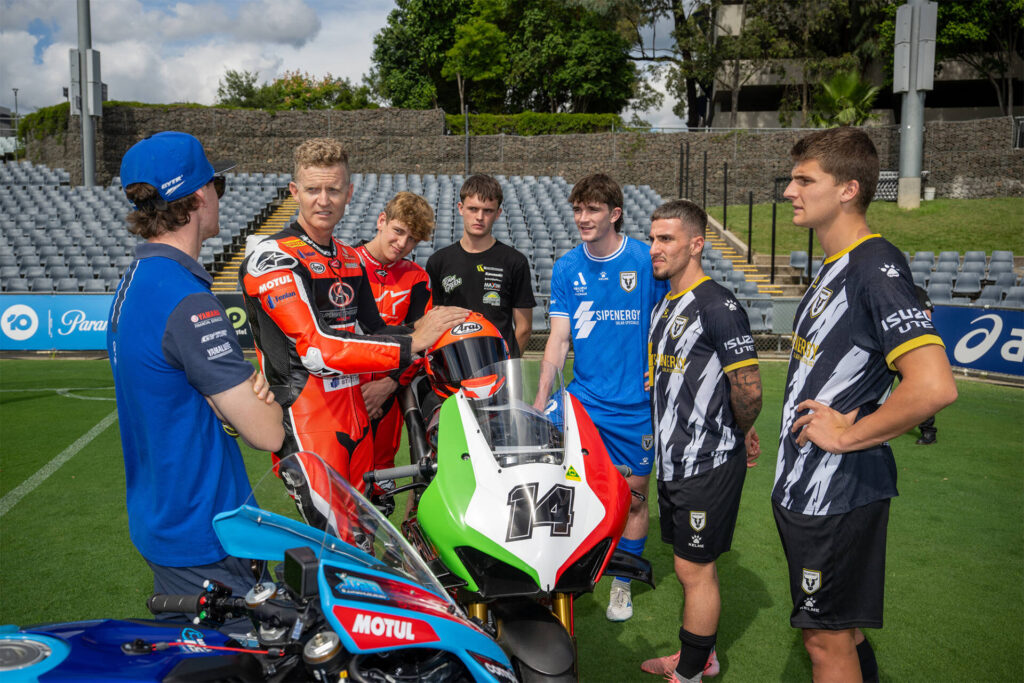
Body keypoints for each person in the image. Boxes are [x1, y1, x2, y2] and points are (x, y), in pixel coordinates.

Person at [774, 127, 957, 682]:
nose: (789, 191)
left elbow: (933, 386)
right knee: (840, 631)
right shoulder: (837, 264)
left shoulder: (875, 265)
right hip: (809, 485)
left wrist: (847, 435)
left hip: (838, 490)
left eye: (805, 180)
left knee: (825, 642)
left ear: (848, 189)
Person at [108, 131, 286, 617]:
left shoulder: (134, 283)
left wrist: (225, 400)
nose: (219, 196)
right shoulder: (187, 300)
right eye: (216, 185)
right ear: (199, 195)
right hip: (205, 532)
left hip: (164, 519)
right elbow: (267, 433)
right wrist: (258, 393)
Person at [240, 138, 466, 491]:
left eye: (333, 190)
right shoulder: (274, 257)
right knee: (333, 526)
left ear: (349, 193)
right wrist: (413, 341)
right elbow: (316, 350)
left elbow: (374, 329)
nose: (324, 200)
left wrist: (428, 328)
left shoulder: (348, 258)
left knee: (364, 523)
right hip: (307, 422)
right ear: (295, 192)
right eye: (313, 189)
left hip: (356, 416)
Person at [639, 200, 762, 682]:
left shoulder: (718, 306)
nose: (655, 248)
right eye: (652, 238)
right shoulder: (664, 305)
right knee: (686, 565)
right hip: (673, 459)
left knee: (695, 570)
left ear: (696, 245)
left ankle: (690, 672)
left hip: (707, 461)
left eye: (666, 239)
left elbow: (748, 389)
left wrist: (741, 430)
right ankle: (700, 657)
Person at [541, 172, 667, 622]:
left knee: (634, 497)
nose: (583, 217)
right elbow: (558, 340)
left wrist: (661, 370)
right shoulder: (566, 268)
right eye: (578, 209)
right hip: (585, 401)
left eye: (592, 209)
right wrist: (540, 398)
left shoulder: (644, 260)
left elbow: (670, 319)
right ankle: (556, 575)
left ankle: (622, 583)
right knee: (557, 487)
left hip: (635, 407)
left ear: (614, 214)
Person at [355, 192, 435, 479]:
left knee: (381, 476)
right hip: (343, 391)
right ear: (381, 221)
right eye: (398, 231)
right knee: (338, 477)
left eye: (412, 239)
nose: (402, 244)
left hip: (389, 391)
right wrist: (358, 393)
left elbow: (422, 343)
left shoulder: (417, 277)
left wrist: (387, 386)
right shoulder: (345, 263)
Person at [425, 174, 535, 357]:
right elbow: (433, 320)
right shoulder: (438, 261)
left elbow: (524, 327)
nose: (479, 217)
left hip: (498, 364)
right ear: (461, 208)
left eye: (488, 211)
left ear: (498, 213)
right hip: (454, 362)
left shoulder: (515, 261)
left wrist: (508, 364)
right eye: (473, 209)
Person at [912, 285, 938, 445]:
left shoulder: (916, 290)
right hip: (883, 346)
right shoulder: (883, 288)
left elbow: (926, 317)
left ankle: (928, 431)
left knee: (919, 389)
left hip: (910, 346)